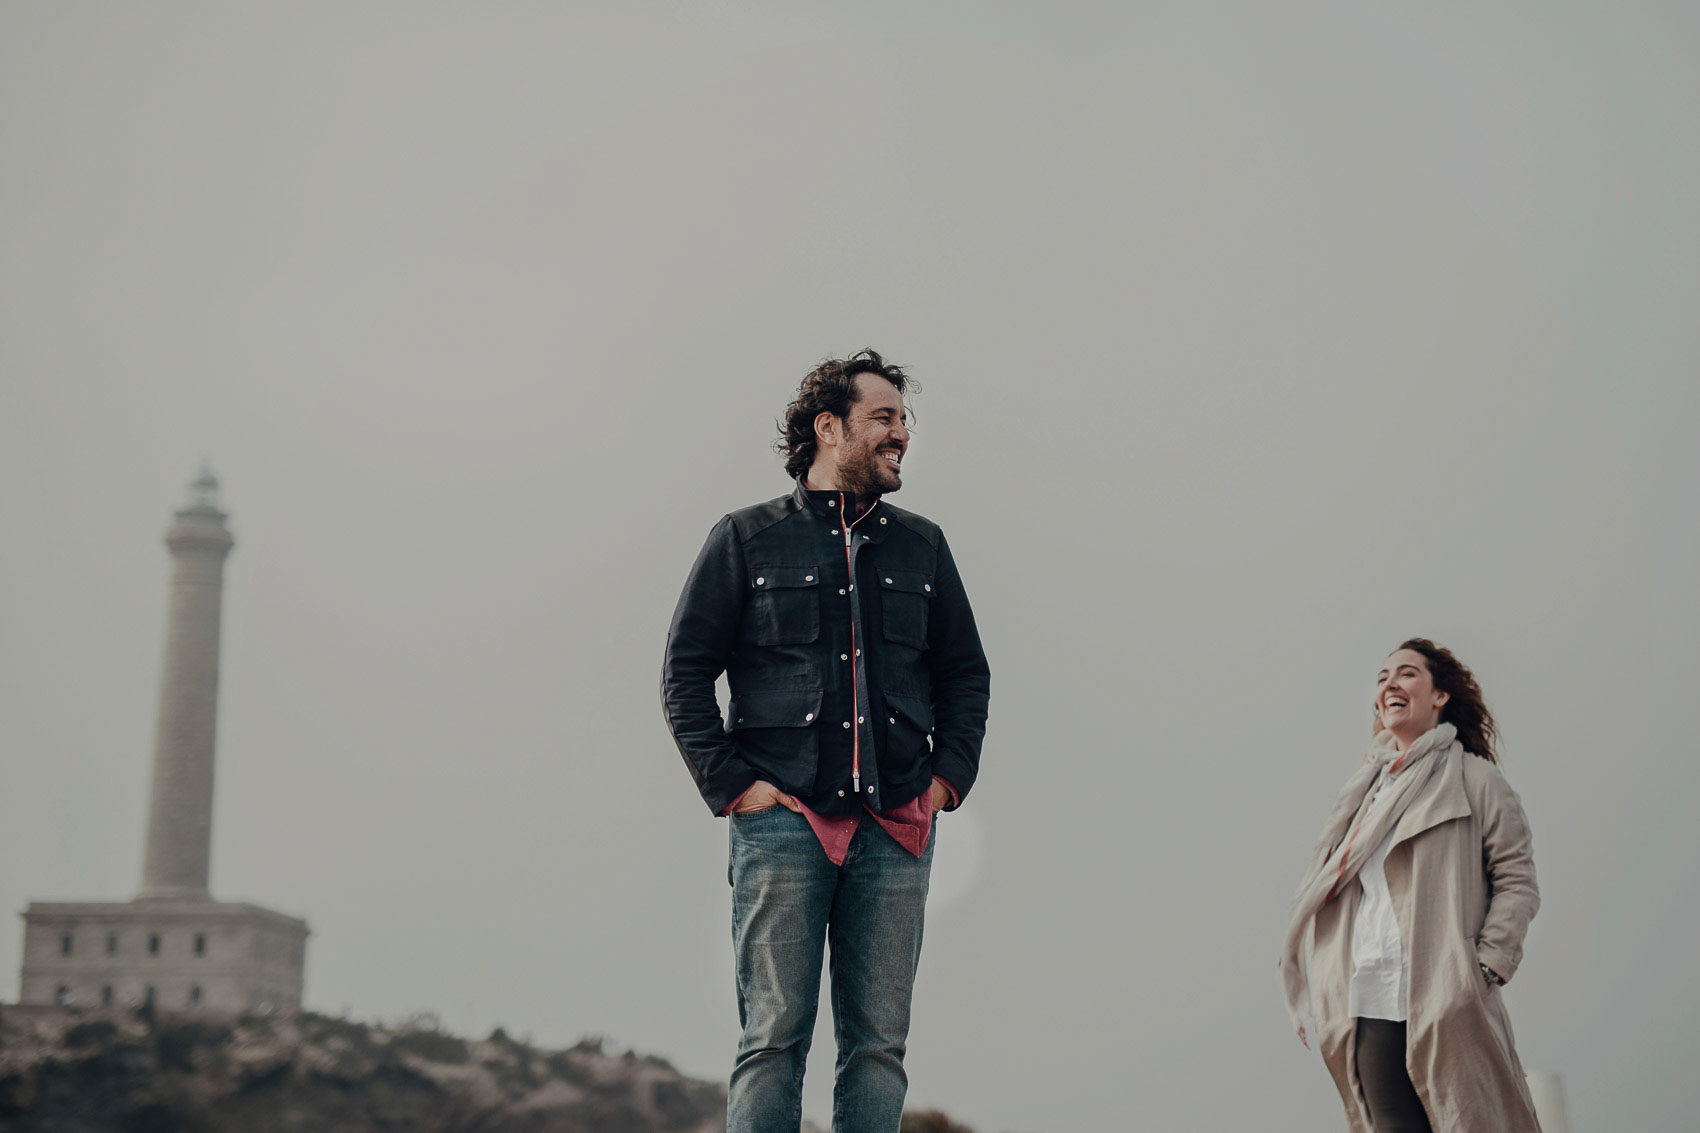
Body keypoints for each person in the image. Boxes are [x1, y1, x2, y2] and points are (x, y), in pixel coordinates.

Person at [661, 349, 991, 1132]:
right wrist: (735, 785)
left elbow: (965, 674)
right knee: (772, 1038)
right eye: (884, 417)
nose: (901, 433)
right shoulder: (745, 539)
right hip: (781, 822)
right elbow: (684, 671)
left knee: (878, 1045)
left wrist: (945, 780)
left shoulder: (924, 547)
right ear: (829, 426)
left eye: (905, 420)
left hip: (896, 825)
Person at [1278, 639, 1542, 1133]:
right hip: (1369, 997)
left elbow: (1517, 878)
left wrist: (1485, 965)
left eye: (1406, 674)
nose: (1389, 685)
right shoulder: (1364, 794)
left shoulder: (1475, 779)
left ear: (1440, 695)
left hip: (1444, 994)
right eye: (1382, 678)